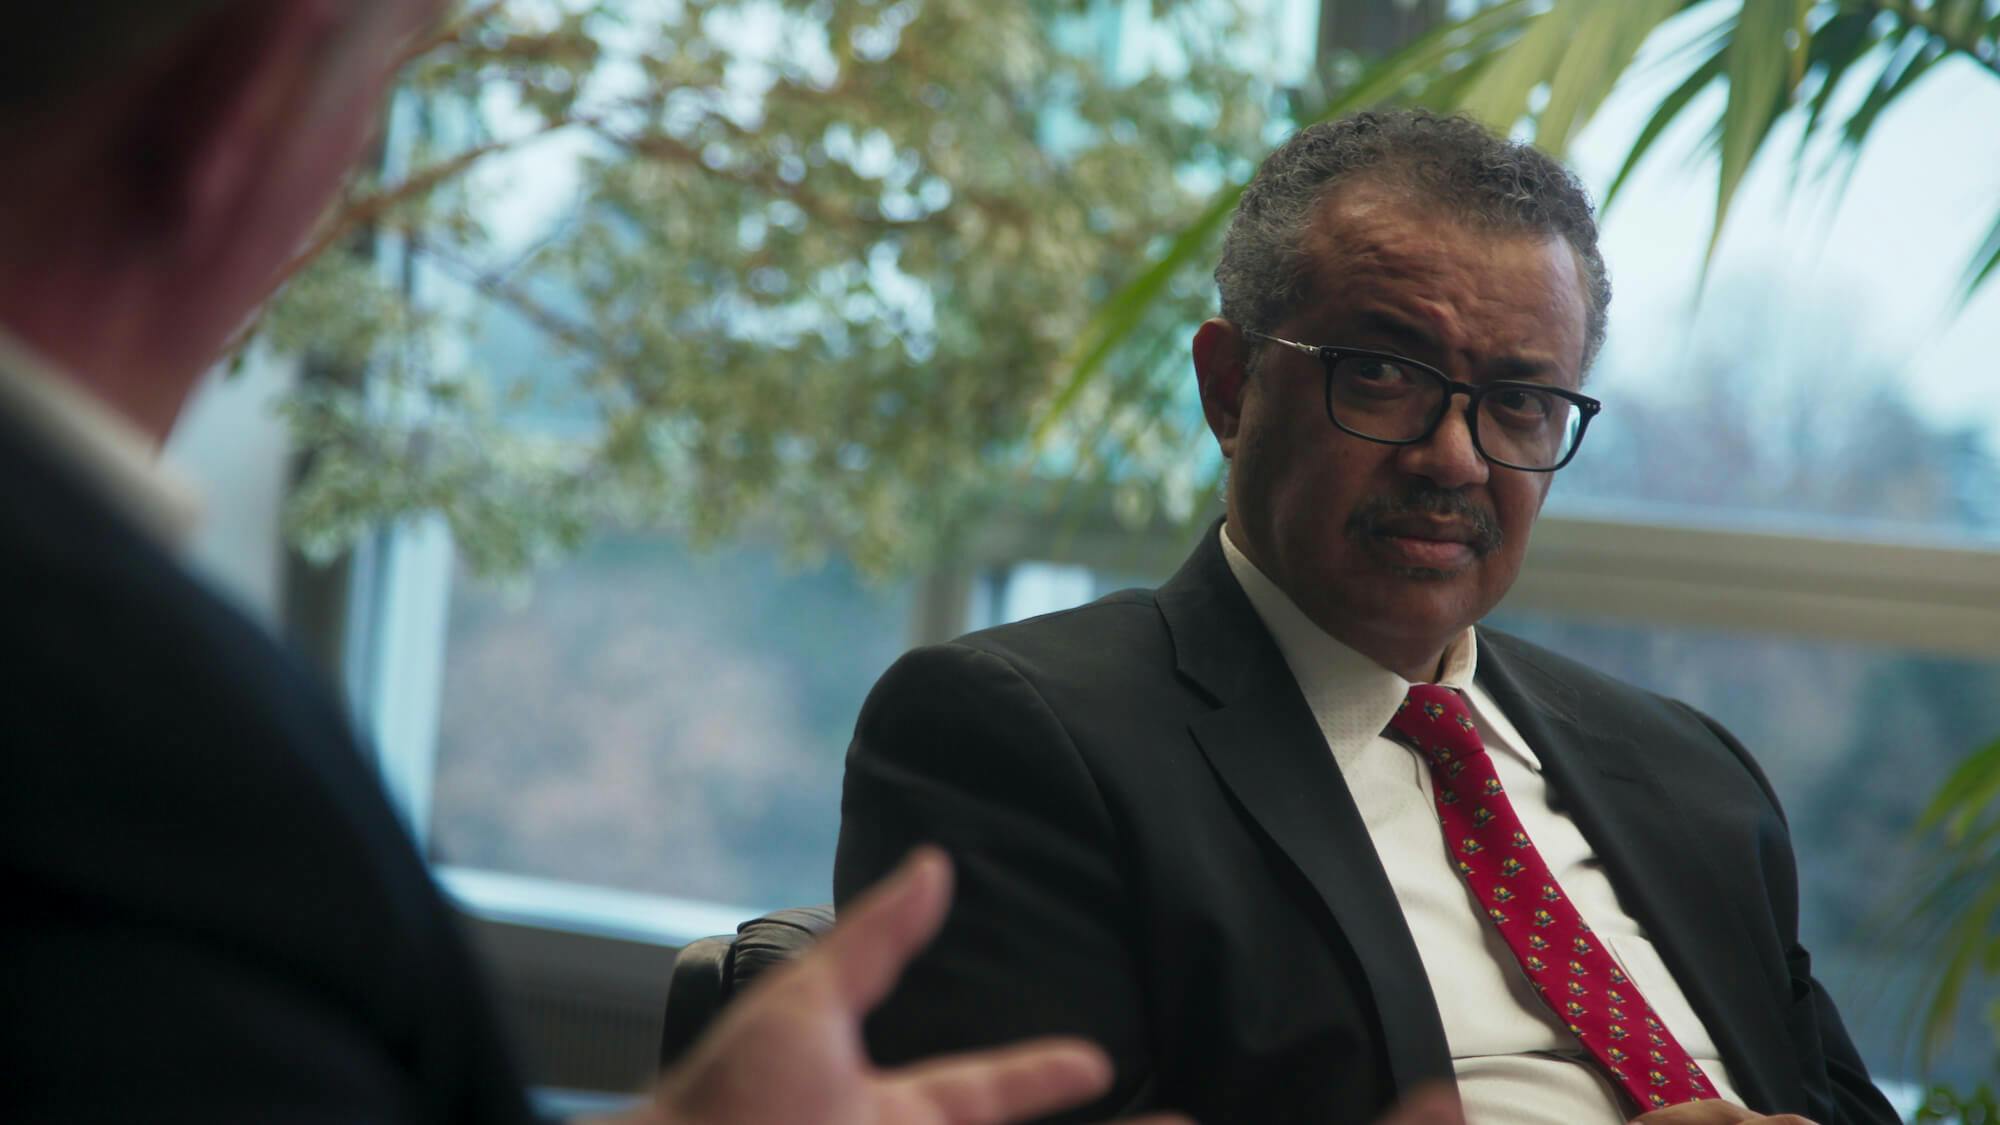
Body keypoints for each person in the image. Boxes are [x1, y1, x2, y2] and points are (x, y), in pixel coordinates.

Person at [0, 4, 1473, 1124]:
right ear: (246, 113)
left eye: (1525, 402)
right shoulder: (140, 752)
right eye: (388, 85)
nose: (1458, 457)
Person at [836, 109, 1902, 1125]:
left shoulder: (1689, 773)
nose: (1452, 456)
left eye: (1519, 401)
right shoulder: (1014, 737)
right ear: (1229, 389)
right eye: (1384, 374)